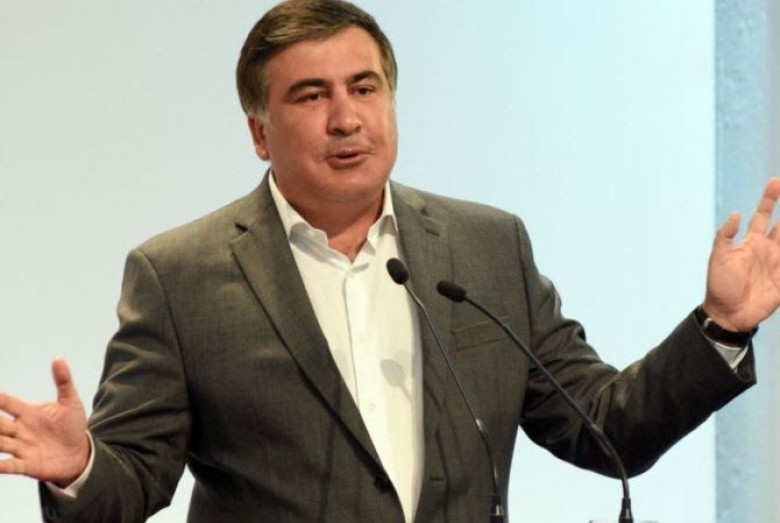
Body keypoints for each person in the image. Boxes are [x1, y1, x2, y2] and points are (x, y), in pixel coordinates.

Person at [0, 1, 778, 522]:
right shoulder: (180, 276)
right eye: (311, 96)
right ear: (260, 133)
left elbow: (606, 426)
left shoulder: (487, 246)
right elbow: (133, 480)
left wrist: (721, 325)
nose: (346, 118)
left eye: (364, 87)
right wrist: (79, 466)